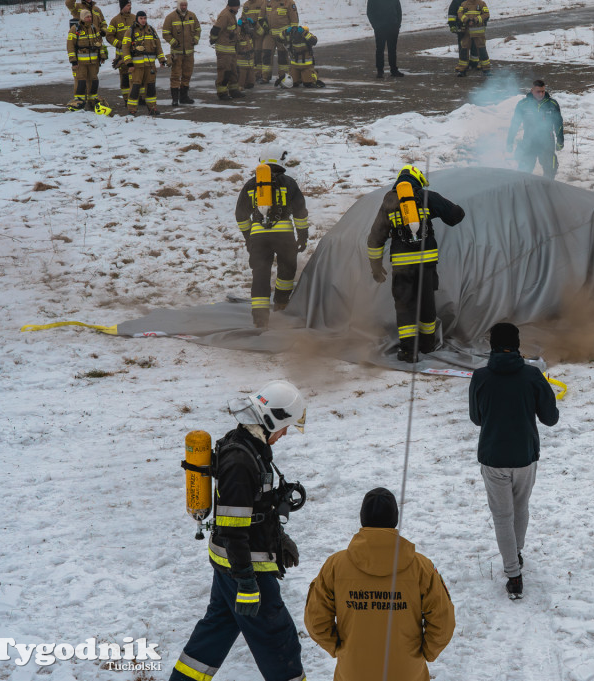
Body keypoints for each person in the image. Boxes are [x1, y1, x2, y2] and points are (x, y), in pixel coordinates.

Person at [169, 380, 308, 681]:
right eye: (285, 427)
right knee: (279, 642)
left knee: (216, 632)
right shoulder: (241, 461)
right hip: (246, 568)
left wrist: (278, 534)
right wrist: (246, 582)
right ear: (271, 420)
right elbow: (234, 529)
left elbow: (252, 510)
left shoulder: (248, 445)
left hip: (231, 562)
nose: (285, 434)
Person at [304, 488, 455, 681]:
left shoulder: (335, 565)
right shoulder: (421, 567)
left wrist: (340, 649)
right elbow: (443, 622)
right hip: (407, 672)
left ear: (362, 518)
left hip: (353, 672)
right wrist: (426, 653)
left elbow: (316, 621)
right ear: (395, 519)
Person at [468, 322, 559, 599]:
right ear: (518, 345)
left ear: (492, 345)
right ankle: (515, 554)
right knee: (520, 508)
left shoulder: (480, 377)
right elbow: (550, 418)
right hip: (525, 456)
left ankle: (513, 575)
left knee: (502, 516)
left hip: (493, 457)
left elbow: (476, 418)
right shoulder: (532, 375)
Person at [366, 165, 465, 363]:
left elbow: (375, 238)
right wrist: (437, 210)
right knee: (427, 304)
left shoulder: (389, 201)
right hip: (426, 263)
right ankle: (427, 345)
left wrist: (376, 267)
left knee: (405, 306)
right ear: (417, 179)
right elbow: (456, 216)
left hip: (402, 266)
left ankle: (408, 351)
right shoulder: (427, 196)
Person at [235, 146, 310, 328]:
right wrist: (302, 236)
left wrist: (248, 237)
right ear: (281, 160)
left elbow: (240, 215)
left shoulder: (251, 185)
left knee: (260, 275)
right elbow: (300, 212)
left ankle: (260, 320)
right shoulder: (289, 183)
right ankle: (281, 305)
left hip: (258, 237)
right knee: (287, 271)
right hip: (284, 236)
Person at [506, 79, 565, 180]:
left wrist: (560, 141)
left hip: (547, 141)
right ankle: (524, 187)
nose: (541, 94)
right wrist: (509, 141)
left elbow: (558, 123)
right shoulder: (523, 104)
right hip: (529, 140)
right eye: (538, 92)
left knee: (550, 169)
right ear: (532, 90)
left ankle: (547, 187)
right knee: (524, 170)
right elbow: (514, 124)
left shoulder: (552, 104)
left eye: (543, 91)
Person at [121, 10, 166, 115]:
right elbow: (125, 48)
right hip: (136, 67)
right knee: (135, 88)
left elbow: (158, 46)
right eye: (141, 18)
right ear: (137, 19)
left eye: (145, 18)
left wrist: (162, 60)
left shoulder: (151, 30)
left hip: (150, 66)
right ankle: (132, 109)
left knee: (151, 87)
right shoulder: (130, 31)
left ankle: (152, 108)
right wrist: (129, 63)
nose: (143, 20)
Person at [66, 9, 108, 111]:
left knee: (94, 80)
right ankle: (79, 102)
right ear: (82, 18)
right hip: (80, 63)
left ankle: (92, 101)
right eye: (87, 17)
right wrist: (73, 61)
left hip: (93, 62)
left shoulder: (94, 28)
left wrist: (102, 55)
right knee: (81, 81)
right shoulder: (75, 29)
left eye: (90, 17)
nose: (89, 19)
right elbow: (70, 46)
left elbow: (99, 43)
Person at [162, 0, 201, 106]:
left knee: (187, 74)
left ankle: (184, 97)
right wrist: (173, 42)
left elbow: (198, 29)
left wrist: (195, 39)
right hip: (177, 53)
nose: (184, 7)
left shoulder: (192, 16)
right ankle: (175, 99)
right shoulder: (170, 17)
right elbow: (165, 33)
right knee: (175, 75)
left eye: (185, 5)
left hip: (189, 53)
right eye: (182, 5)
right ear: (178, 6)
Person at [210, 0, 243, 100]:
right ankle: (222, 92)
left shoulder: (232, 14)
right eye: (237, 6)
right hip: (224, 50)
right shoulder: (225, 15)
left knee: (233, 71)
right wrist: (213, 40)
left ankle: (234, 90)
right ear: (232, 6)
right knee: (224, 72)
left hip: (231, 49)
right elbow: (215, 30)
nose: (238, 8)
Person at [106, 0, 136, 101]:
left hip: (135, 55)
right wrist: (119, 44)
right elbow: (109, 36)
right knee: (125, 79)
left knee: (136, 77)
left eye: (130, 5)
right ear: (122, 6)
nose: (130, 7)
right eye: (127, 5)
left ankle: (139, 98)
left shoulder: (135, 18)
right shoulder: (115, 20)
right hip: (121, 57)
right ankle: (126, 99)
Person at [265, 0, 298, 85]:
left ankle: (283, 77)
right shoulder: (269, 2)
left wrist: (292, 32)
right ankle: (265, 77)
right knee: (266, 55)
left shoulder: (289, 3)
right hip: (270, 34)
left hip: (283, 36)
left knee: (282, 57)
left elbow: (294, 20)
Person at [366, 0, 402, 78]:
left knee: (392, 50)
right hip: (380, 28)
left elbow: (399, 10)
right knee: (380, 50)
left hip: (393, 27)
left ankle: (394, 70)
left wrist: (397, 24)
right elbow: (369, 12)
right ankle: (380, 71)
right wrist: (376, 25)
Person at [455, 0, 489, 77]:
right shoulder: (464, 4)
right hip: (466, 32)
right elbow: (459, 14)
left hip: (478, 32)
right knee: (464, 50)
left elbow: (486, 14)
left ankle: (486, 69)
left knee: (481, 49)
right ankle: (462, 70)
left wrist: (475, 20)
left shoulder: (481, 3)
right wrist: (466, 20)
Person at [239, 0, 268, 83]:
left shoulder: (262, 2)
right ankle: (252, 74)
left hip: (259, 32)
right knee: (251, 53)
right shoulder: (246, 4)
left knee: (258, 53)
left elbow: (266, 18)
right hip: (249, 34)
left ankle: (259, 74)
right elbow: (243, 17)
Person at [447, 0, 478, 72]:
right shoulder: (456, 1)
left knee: (475, 45)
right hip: (462, 28)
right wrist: (452, 25)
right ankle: (463, 64)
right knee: (463, 46)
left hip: (474, 27)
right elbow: (452, 14)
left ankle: (474, 62)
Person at [235, 17, 263, 91]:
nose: (247, 27)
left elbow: (261, 32)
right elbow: (236, 36)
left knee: (250, 85)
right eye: (245, 25)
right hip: (241, 68)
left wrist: (255, 24)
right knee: (240, 86)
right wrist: (239, 26)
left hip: (250, 66)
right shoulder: (238, 35)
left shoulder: (250, 35)